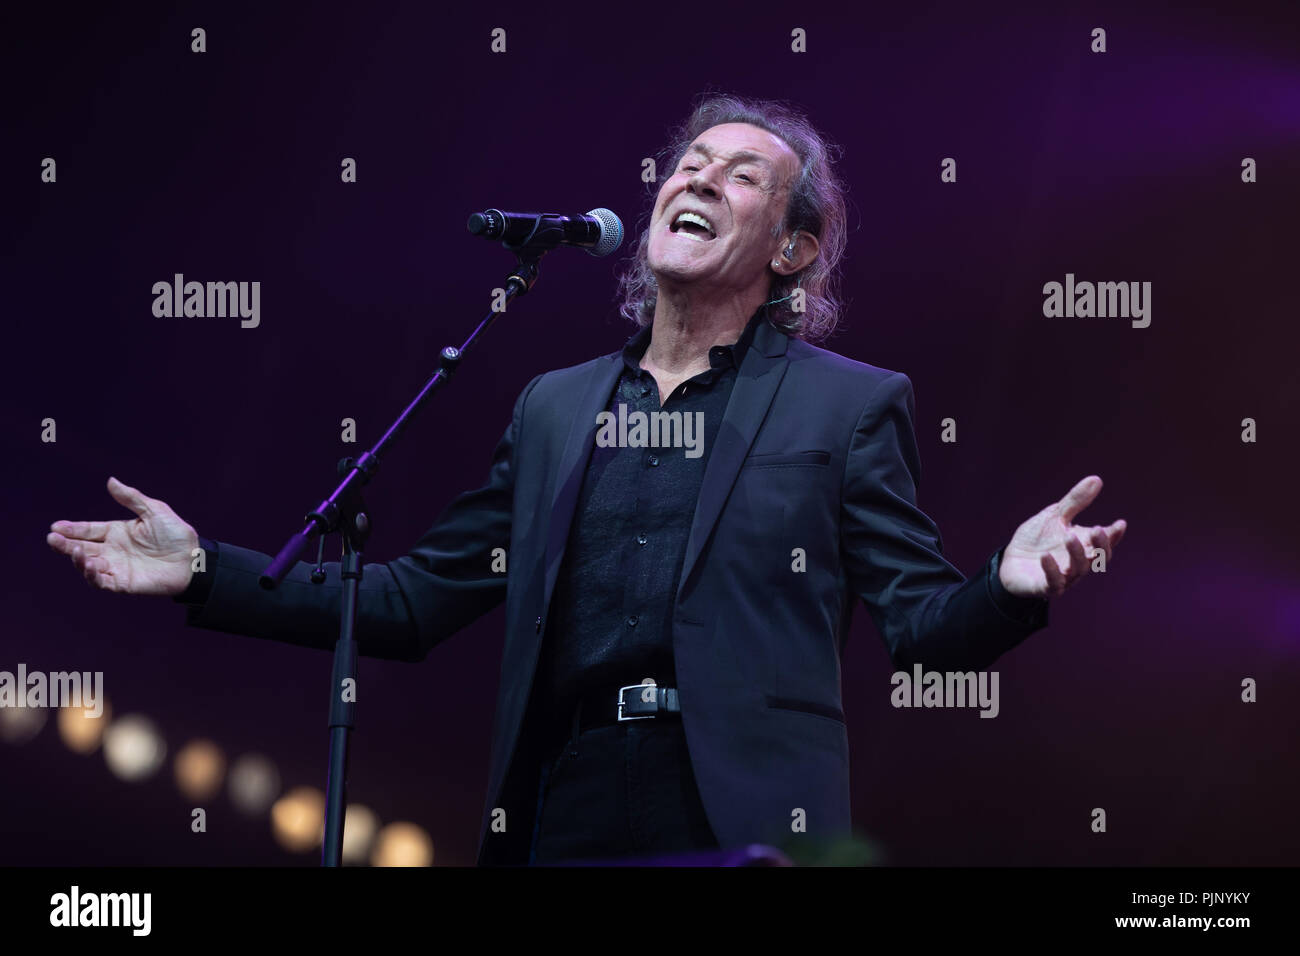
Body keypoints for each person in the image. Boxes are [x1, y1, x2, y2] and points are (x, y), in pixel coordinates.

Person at [47, 93, 1126, 866]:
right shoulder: (557, 407)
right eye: (689, 162)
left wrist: (1011, 585)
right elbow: (415, 600)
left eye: (741, 172)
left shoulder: (845, 403)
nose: (698, 175)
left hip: (739, 816)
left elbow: (922, 623)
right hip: (557, 807)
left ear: (792, 252)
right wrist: (203, 572)